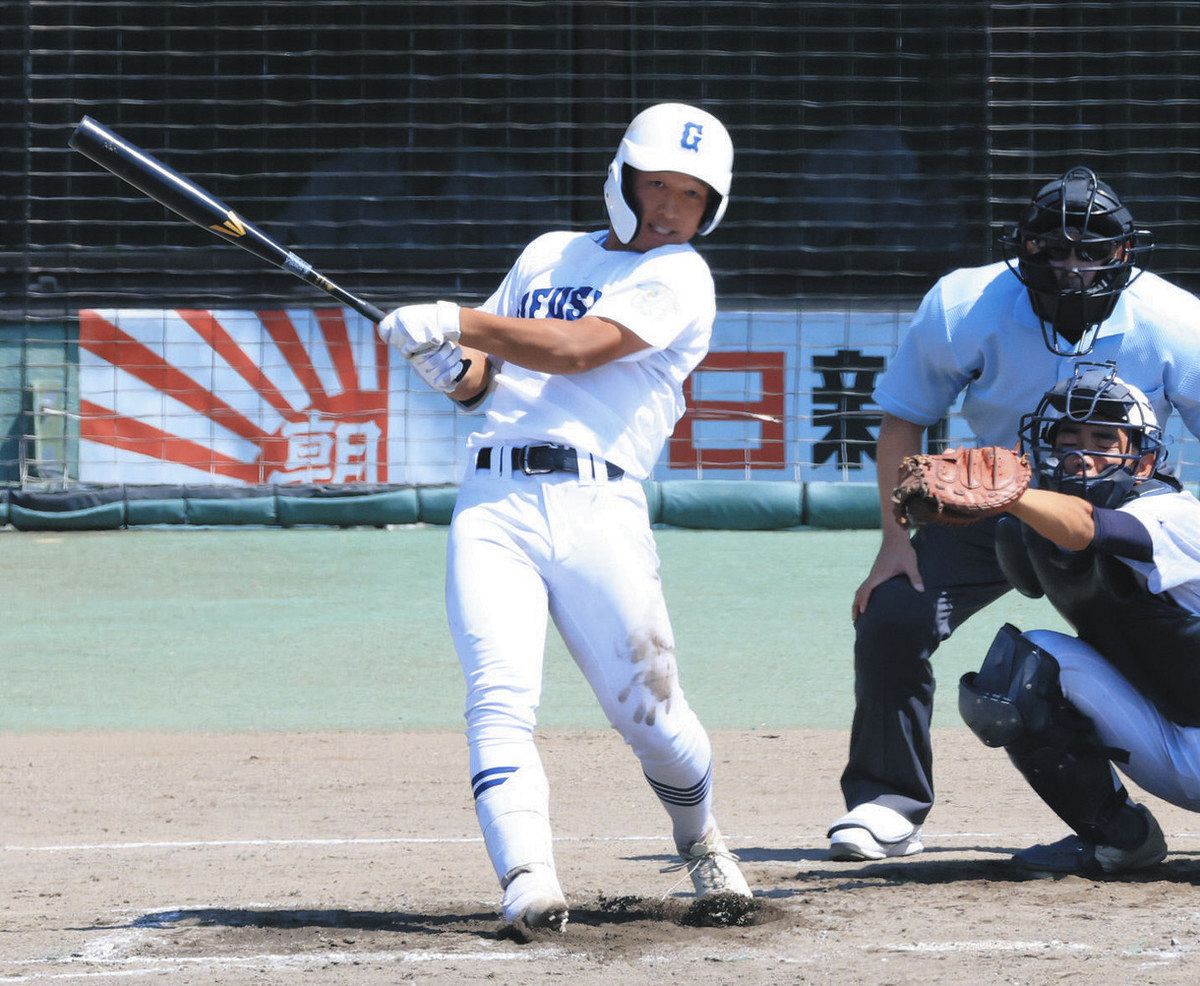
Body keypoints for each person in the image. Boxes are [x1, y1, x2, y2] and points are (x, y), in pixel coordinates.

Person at [375, 103, 751, 934]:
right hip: (492, 504)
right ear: (623, 178)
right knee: (498, 697)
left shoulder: (684, 275)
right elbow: (485, 378)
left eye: (691, 195)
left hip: (597, 506)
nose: (669, 208)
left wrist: (457, 320)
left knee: (652, 718)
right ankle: (528, 880)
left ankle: (699, 837)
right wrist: (444, 361)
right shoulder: (549, 253)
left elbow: (578, 349)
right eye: (657, 185)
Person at [828, 166, 1200, 861]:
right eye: (1055, 250)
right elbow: (906, 418)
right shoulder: (964, 305)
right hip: (993, 509)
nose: (1073, 268)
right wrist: (893, 542)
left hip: (1119, 521)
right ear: (1023, 250)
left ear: (1125, 254)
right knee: (896, 615)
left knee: (1129, 649)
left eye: (1093, 252)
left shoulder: (1176, 322)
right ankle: (888, 800)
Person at [959, 363, 1200, 873]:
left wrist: (1011, 495)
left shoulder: (1174, 514)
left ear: (1143, 461)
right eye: (1068, 436)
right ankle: (1121, 839)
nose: (1079, 453)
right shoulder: (1032, 528)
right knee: (1019, 671)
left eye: (1101, 440)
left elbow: (1091, 529)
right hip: (1179, 744)